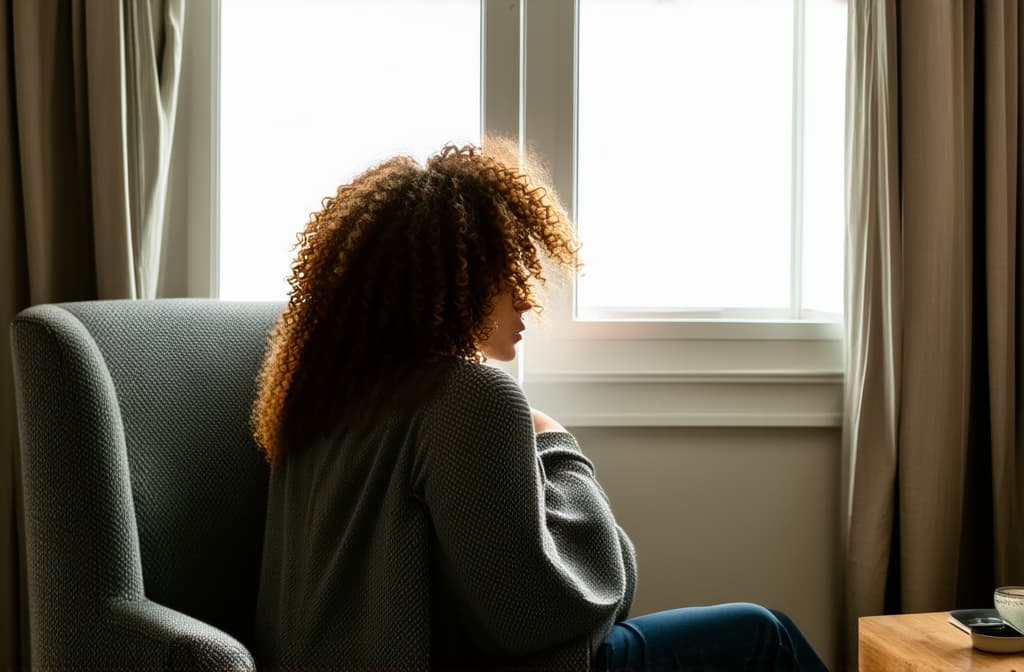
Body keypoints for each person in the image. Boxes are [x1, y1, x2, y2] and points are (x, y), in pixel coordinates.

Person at [251, 143, 830, 672]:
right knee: (763, 634)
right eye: (508, 272)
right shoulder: (468, 396)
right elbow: (560, 610)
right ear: (457, 283)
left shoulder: (319, 391)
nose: (527, 294)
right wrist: (555, 442)